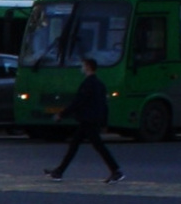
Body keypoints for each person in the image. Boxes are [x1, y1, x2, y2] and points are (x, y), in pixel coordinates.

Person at [48, 54, 125, 182]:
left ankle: (116, 171)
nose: (81, 68)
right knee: (77, 145)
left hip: (88, 120)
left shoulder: (87, 84)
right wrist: (104, 122)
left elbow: (78, 102)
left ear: (88, 67)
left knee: (94, 146)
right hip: (93, 120)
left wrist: (61, 114)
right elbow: (104, 105)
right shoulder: (100, 84)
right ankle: (59, 171)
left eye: (83, 66)